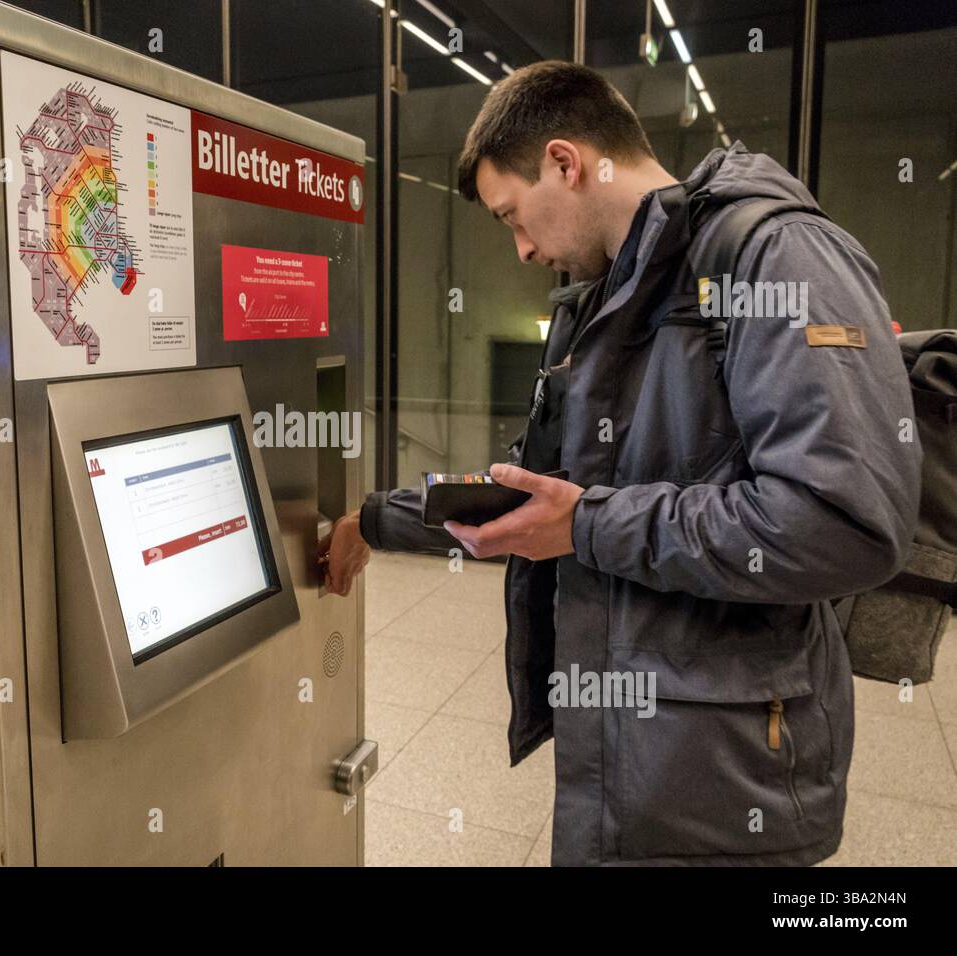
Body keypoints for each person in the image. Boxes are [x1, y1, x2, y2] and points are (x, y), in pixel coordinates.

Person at [319, 61, 921, 865]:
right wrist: (377, 517)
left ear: (565, 163)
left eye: (513, 217)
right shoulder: (609, 299)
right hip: (626, 770)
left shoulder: (776, 258)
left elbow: (843, 524)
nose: (524, 249)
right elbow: (532, 495)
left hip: (728, 789)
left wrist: (589, 525)